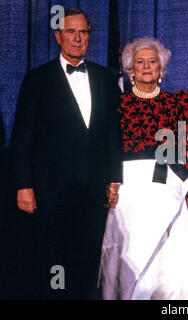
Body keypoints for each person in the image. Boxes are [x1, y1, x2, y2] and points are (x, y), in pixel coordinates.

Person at [11, 8, 123, 299]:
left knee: (89, 258)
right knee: (54, 258)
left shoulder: (103, 77)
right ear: (58, 36)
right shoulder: (38, 79)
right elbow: (23, 136)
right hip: (51, 191)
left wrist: (114, 178)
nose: (77, 38)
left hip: (94, 190)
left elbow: (113, 131)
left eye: (83, 32)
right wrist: (24, 185)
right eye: (70, 32)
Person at [99, 36, 188, 300]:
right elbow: (106, 148)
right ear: (130, 69)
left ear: (162, 69)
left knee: (171, 262)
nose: (147, 67)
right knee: (131, 256)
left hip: (168, 187)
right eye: (140, 62)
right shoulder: (117, 104)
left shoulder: (178, 102)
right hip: (128, 191)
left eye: (153, 62)